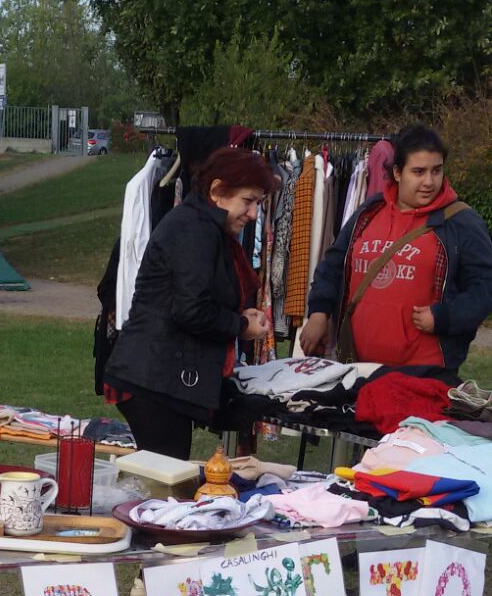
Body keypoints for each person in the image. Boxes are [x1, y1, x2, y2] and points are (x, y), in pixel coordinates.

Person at [104, 148, 275, 457]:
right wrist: (240, 325)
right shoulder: (193, 229)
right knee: (164, 481)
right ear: (217, 191)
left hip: (158, 376)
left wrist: (239, 316)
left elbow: (193, 297)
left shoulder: (202, 226)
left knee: (165, 476)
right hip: (153, 380)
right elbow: (191, 309)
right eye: (248, 201)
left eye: (258, 204)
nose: (252, 214)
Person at [299, 124, 492, 372]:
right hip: (356, 366)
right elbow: (333, 265)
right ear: (398, 172)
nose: (429, 181)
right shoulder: (369, 212)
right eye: (419, 171)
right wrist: (319, 313)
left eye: (436, 170)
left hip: (424, 373)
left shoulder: (460, 222)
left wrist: (444, 316)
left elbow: (484, 288)